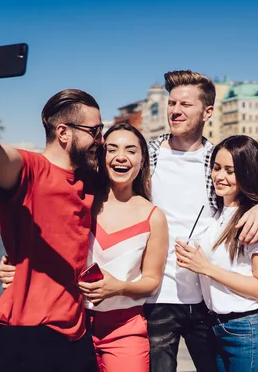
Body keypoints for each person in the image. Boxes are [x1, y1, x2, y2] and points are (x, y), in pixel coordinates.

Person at [0, 70, 258, 372]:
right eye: (172, 102)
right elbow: (63, 202)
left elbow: (247, 200)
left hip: (205, 301)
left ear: (208, 112)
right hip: (156, 298)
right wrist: (22, 259)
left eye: (186, 105)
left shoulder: (218, 162)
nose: (175, 110)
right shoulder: (141, 155)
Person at [0, 41, 102, 372]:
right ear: (64, 133)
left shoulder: (88, 179)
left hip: (76, 331)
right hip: (30, 334)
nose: (100, 140)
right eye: (94, 131)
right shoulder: (30, 170)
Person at [175, 135, 258, 372]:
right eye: (216, 168)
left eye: (230, 171)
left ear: (247, 173)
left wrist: (206, 267)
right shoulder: (216, 214)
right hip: (216, 327)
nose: (219, 176)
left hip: (249, 330)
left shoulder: (257, 221)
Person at [74, 122, 168, 372]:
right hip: (73, 327)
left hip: (125, 330)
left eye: (131, 150)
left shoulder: (153, 216)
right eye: (112, 149)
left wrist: (119, 287)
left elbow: (151, 280)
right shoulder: (83, 203)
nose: (121, 157)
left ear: (143, 160)